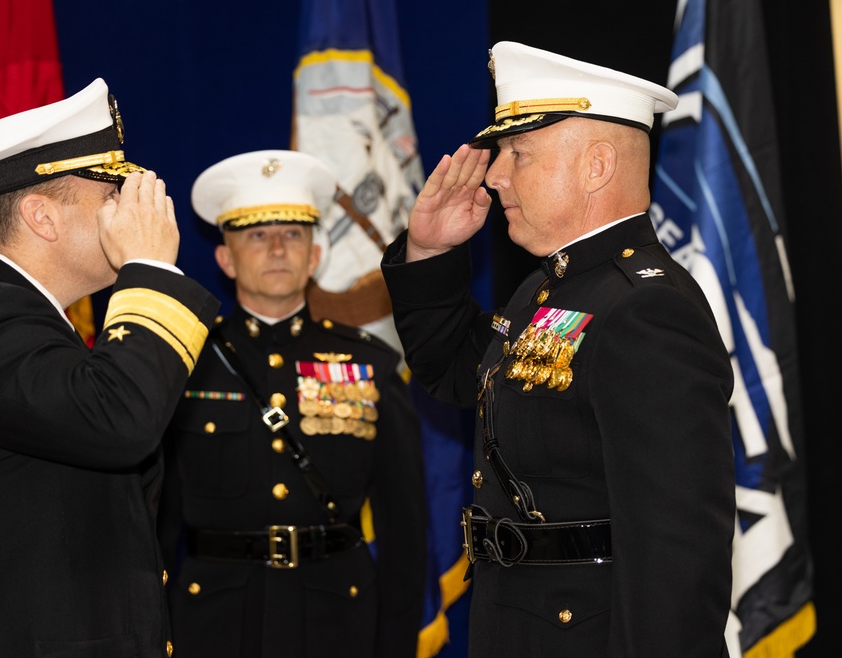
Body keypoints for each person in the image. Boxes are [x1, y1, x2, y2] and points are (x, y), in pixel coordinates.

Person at [380, 42, 736, 656]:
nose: (494, 174)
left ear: (597, 166)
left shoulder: (645, 309)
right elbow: (460, 376)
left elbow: (675, 560)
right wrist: (431, 255)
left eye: (518, 153)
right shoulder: (552, 288)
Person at [0, 78, 220, 657]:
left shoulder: (6, 318)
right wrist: (150, 268)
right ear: (42, 216)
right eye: (111, 195)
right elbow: (124, 420)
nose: (128, 213)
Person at [157, 149, 427, 658]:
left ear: (315, 257)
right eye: (257, 235)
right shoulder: (184, 365)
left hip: (337, 621)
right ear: (225, 258)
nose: (278, 248)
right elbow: (157, 523)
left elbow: (404, 530)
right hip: (211, 623)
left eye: (294, 234)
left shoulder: (370, 364)